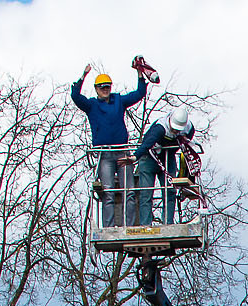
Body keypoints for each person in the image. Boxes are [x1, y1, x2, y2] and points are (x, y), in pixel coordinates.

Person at [71, 63, 154, 224]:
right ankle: (108, 228)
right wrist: (83, 75)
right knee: (108, 192)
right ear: (96, 89)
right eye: (102, 87)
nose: (105, 89)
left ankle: (129, 226)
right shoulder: (92, 105)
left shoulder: (119, 101)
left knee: (129, 192)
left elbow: (139, 93)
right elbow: (75, 96)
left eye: (107, 86)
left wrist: (139, 73)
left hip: (122, 152)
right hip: (105, 154)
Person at [133, 111, 200, 225]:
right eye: (174, 129)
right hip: (148, 158)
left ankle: (167, 223)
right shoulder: (160, 127)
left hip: (168, 158)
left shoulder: (188, 128)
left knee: (170, 191)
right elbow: (146, 144)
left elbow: (187, 140)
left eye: (177, 130)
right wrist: (134, 157)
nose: (175, 131)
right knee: (146, 193)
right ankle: (145, 225)